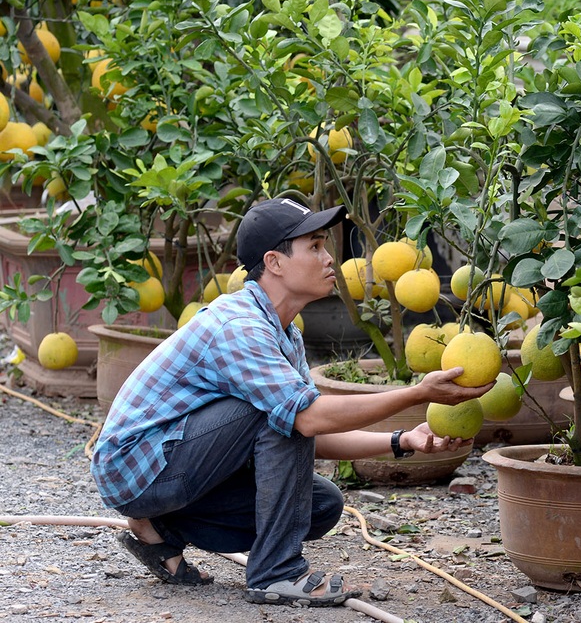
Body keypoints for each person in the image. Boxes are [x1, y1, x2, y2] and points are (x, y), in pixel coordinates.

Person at [90, 197, 492, 607]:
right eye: (315, 246)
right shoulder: (240, 327)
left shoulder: (285, 334)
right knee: (282, 412)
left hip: (177, 467)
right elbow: (307, 420)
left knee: (321, 504)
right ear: (275, 262)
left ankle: (162, 526)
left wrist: (403, 441)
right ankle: (275, 573)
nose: (329, 258)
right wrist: (420, 392)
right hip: (136, 467)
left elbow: (306, 430)